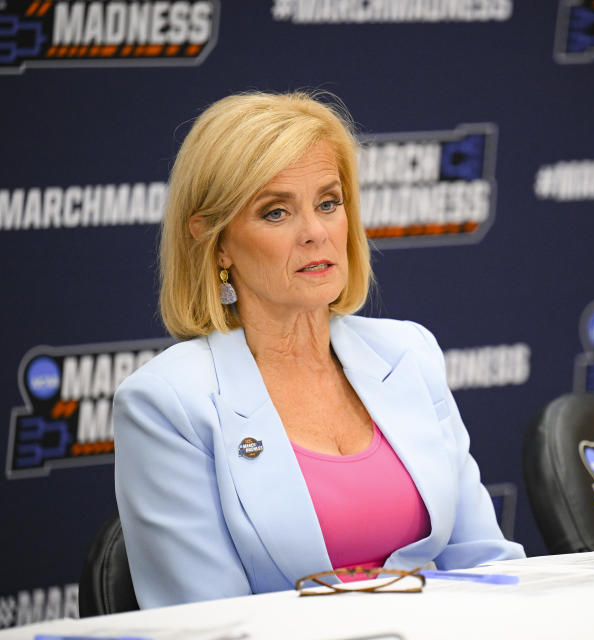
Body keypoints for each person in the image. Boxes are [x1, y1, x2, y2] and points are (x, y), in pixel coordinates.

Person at [113, 91, 525, 609]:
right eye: (276, 211)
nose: (315, 232)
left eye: (328, 203)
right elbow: (207, 623)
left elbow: (487, 564)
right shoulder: (167, 403)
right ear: (215, 239)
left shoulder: (408, 353)